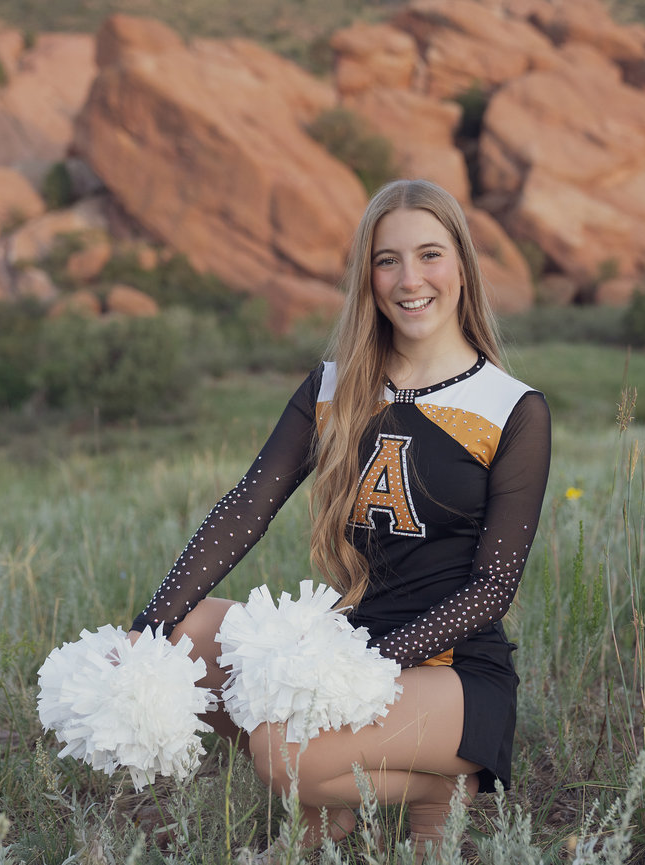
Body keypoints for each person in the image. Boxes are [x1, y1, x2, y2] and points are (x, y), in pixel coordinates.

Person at [127, 179, 551, 860]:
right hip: (349, 640)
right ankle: (330, 812)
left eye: (430, 255)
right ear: (367, 276)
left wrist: (359, 674)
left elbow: (493, 588)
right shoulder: (331, 386)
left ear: (463, 267)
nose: (409, 279)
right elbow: (247, 506)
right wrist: (148, 626)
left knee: (279, 749)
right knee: (185, 636)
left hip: (453, 673)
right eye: (387, 260)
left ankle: (441, 784)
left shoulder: (510, 408)